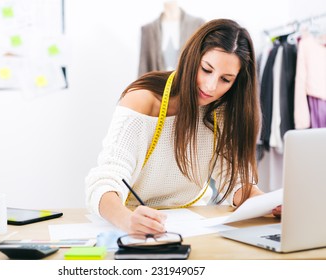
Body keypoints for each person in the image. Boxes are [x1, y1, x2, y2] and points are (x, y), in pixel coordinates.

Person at [86, 18, 274, 235]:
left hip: (193, 226)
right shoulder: (143, 99)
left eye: (226, 79)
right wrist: (127, 220)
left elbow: (235, 181)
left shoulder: (222, 110)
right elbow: (104, 180)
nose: (211, 86)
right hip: (134, 226)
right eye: (206, 69)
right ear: (192, 59)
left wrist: (267, 203)